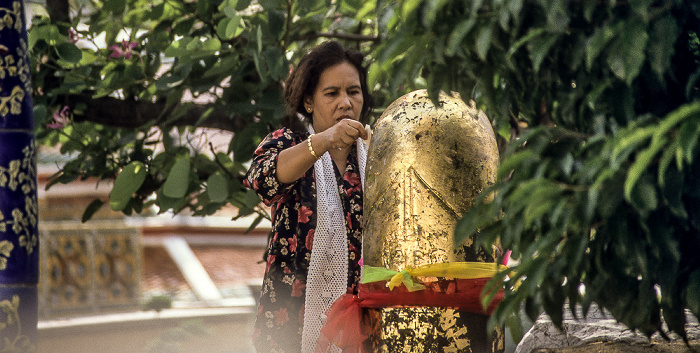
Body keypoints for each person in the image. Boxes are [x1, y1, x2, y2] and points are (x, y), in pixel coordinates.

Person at [244, 40, 373, 353]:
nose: (345, 103)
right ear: (308, 102)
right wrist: (324, 141)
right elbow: (262, 180)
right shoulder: (289, 143)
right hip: (291, 328)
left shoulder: (378, 155)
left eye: (353, 92)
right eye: (332, 93)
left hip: (365, 329)